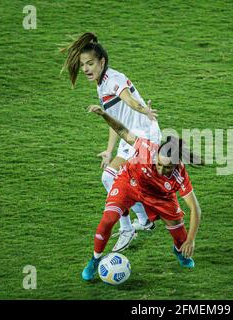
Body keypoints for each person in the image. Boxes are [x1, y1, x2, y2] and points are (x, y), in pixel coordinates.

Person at [61, 32, 162, 252]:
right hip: (130, 136)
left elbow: (128, 99)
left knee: (112, 179)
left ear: (102, 62)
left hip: (144, 136)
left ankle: (128, 228)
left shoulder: (113, 80)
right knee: (117, 179)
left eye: (90, 63)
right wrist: (109, 151)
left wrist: (143, 109)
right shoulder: (101, 84)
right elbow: (114, 121)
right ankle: (145, 221)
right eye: (83, 64)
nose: (86, 69)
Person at [81, 105, 202, 281]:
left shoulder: (179, 175)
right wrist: (103, 114)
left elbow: (195, 209)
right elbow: (122, 130)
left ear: (176, 164)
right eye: (159, 164)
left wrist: (190, 240)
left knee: (181, 238)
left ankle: (179, 252)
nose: (160, 169)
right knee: (107, 220)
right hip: (129, 184)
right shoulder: (146, 148)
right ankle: (94, 260)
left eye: (167, 167)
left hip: (160, 197)